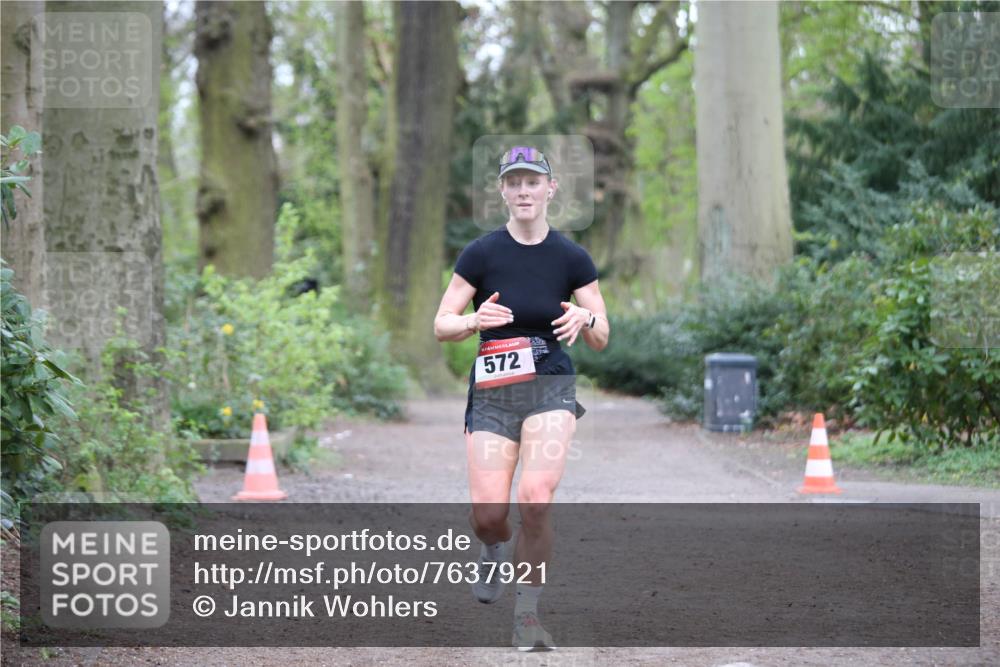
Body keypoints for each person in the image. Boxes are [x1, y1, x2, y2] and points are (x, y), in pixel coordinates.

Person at [434, 146, 609, 651]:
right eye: (514, 182)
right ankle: (492, 549)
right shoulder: (481, 254)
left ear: (550, 189)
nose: (524, 190)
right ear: (503, 192)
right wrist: (472, 321)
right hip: (492, 394)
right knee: (490, 515)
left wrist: (587, 318)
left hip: (551, 386)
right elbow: (441, 323)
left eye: (533, 181)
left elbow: (603, 333)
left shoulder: (572, 258)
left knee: (535, 498)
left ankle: (527, 617)